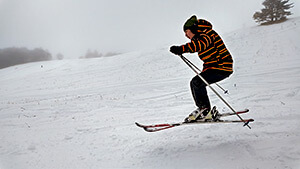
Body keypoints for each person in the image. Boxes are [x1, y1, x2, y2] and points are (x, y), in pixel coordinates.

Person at [170, 15, 233, 122]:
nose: (186, 35)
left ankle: (204, 110)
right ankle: (206, 111)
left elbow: (199, 45)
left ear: (193, 28)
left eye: (186, 32)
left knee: (197, 82)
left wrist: (181, 49)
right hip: (218, 67)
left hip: (221, 67)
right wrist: (205, 71)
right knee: (196, 82)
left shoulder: (206, 34)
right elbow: (209, 59)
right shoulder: (203, 34)